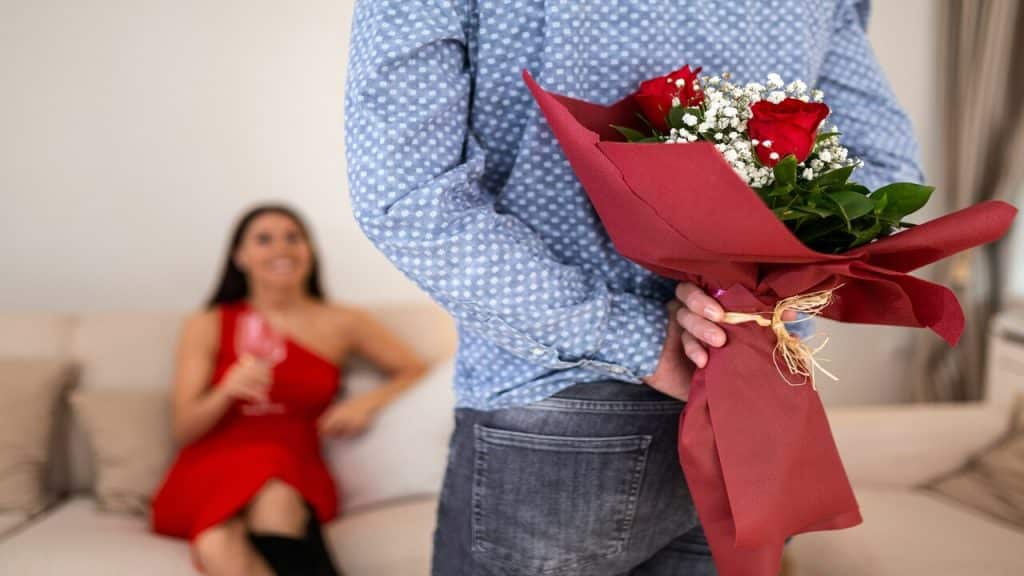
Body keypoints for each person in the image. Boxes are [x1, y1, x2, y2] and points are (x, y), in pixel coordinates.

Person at [343, 1, 924, 574]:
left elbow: (408, 199)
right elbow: (887, 175)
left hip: (557, 405)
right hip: (752, 406)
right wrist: (744, 311)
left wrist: (640, 339)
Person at [149, 204, 429, 576]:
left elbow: (416, 370)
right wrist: (226, 391)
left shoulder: (344, 322)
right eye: (264, 240)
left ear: (309, 251)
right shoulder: (208, 323)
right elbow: (183, 428)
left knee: (243, 520)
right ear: (240, 257)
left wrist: (366, 402)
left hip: (296, 462)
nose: (281, 249)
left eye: (293, 238)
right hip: (212, 465)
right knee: (239, 523)